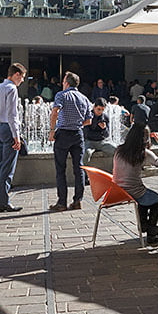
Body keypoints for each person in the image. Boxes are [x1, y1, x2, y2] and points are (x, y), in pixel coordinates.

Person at [112, 124, 158, 245]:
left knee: (145, 196)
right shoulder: (143, 153)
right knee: (156, 199)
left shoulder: (119, 150)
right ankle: (151, 232)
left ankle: (144, 225)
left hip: (118, 191)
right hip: (135, 192)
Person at [47, 70, 91, 213]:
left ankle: (62, 202)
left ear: (66, 82)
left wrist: (52, 130)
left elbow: (55, 112)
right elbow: (88, 121)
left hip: (63, 134)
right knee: (79, 168)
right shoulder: (84, 98)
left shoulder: (62, 95)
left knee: (61, 169)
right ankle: (78, 200)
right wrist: (76, 124)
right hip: (77, 134)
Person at [0, 63, 26, 213]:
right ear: (16, 75)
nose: (22, 80)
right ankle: (3, 202)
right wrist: (16, 136)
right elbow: (12, 115)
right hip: (8, 129)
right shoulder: (12, 89)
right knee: (7, 167)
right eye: (21, 77)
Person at [82, 98, 115, 163]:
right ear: (94, 107)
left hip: (102, 142)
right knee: (86, 153)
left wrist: (104, 128)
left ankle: (115, 171)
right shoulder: (88, 116)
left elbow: (107, 134)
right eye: (99, 109)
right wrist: (100, 134)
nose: (100, 112)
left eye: (103, 110)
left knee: (116, 151)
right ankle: (84, 172)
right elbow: (86, 133)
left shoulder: (105, 117)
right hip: (89, 142)